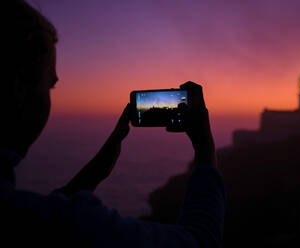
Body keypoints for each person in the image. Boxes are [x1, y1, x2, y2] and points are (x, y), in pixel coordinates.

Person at [0, 1, 226, 247]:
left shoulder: (19, 217)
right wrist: (205, 145)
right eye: (50, 86)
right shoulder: (72, 223)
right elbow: (201, 241)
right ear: (19, 89)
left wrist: (96, 170)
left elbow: (39, 218)